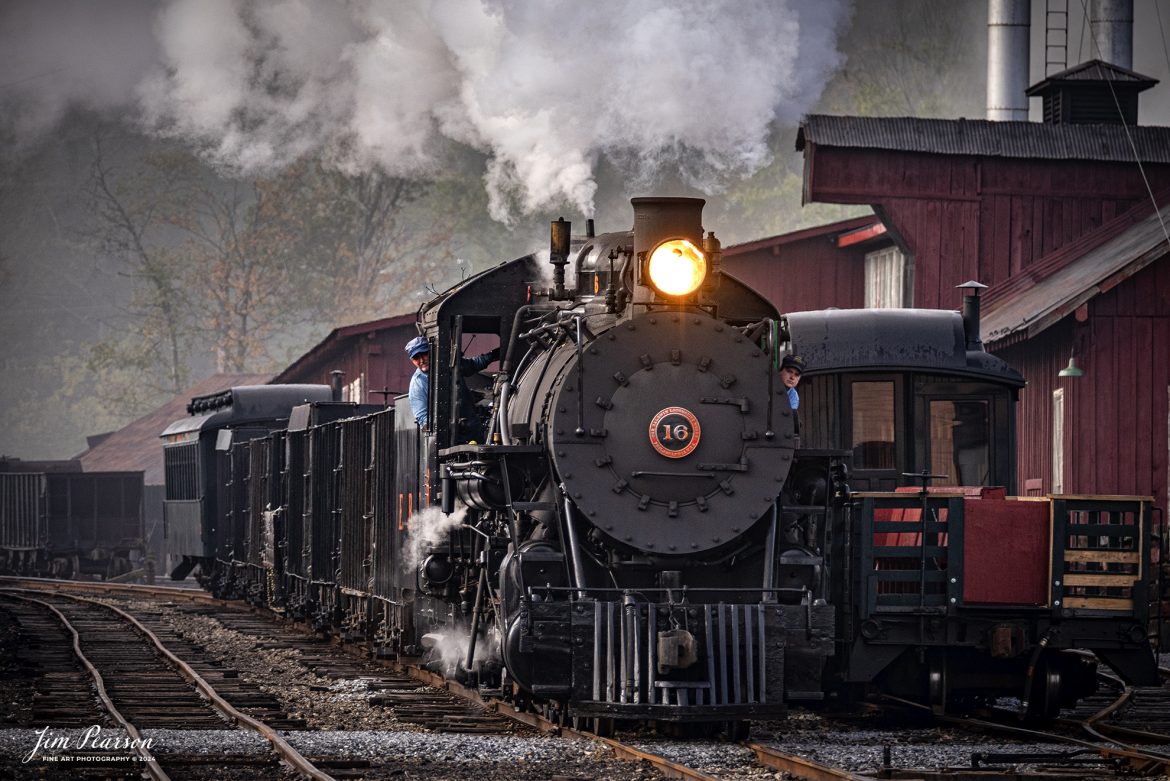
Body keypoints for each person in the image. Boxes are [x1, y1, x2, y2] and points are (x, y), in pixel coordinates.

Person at [405, 335, 500, 437]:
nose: (422, 360)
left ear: (432, 351)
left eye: (424, 354)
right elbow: (423, 417)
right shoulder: (418, 384)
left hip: (474, 427)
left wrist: (493, 355)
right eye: (416, 358)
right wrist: (449, 425)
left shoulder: (449, 364)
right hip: (450, 437)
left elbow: (472, 365)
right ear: (412, 361)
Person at [780, 354, 805, 438]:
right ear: (780, 371)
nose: (792, 377)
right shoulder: (767, 385)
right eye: (789, 371)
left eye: (796, 375)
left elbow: (788, 419)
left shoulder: (793, 396)